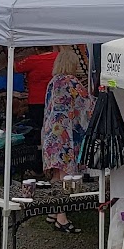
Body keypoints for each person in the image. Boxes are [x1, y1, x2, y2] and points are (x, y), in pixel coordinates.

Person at [41, 49, 93, 234]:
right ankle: (62, 218)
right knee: (67, 178)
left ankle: (53, 211)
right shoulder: (72, 82)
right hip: (65, 138)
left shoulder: (52, 83)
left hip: (50, 135)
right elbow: (87, 105)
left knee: (56, 175)